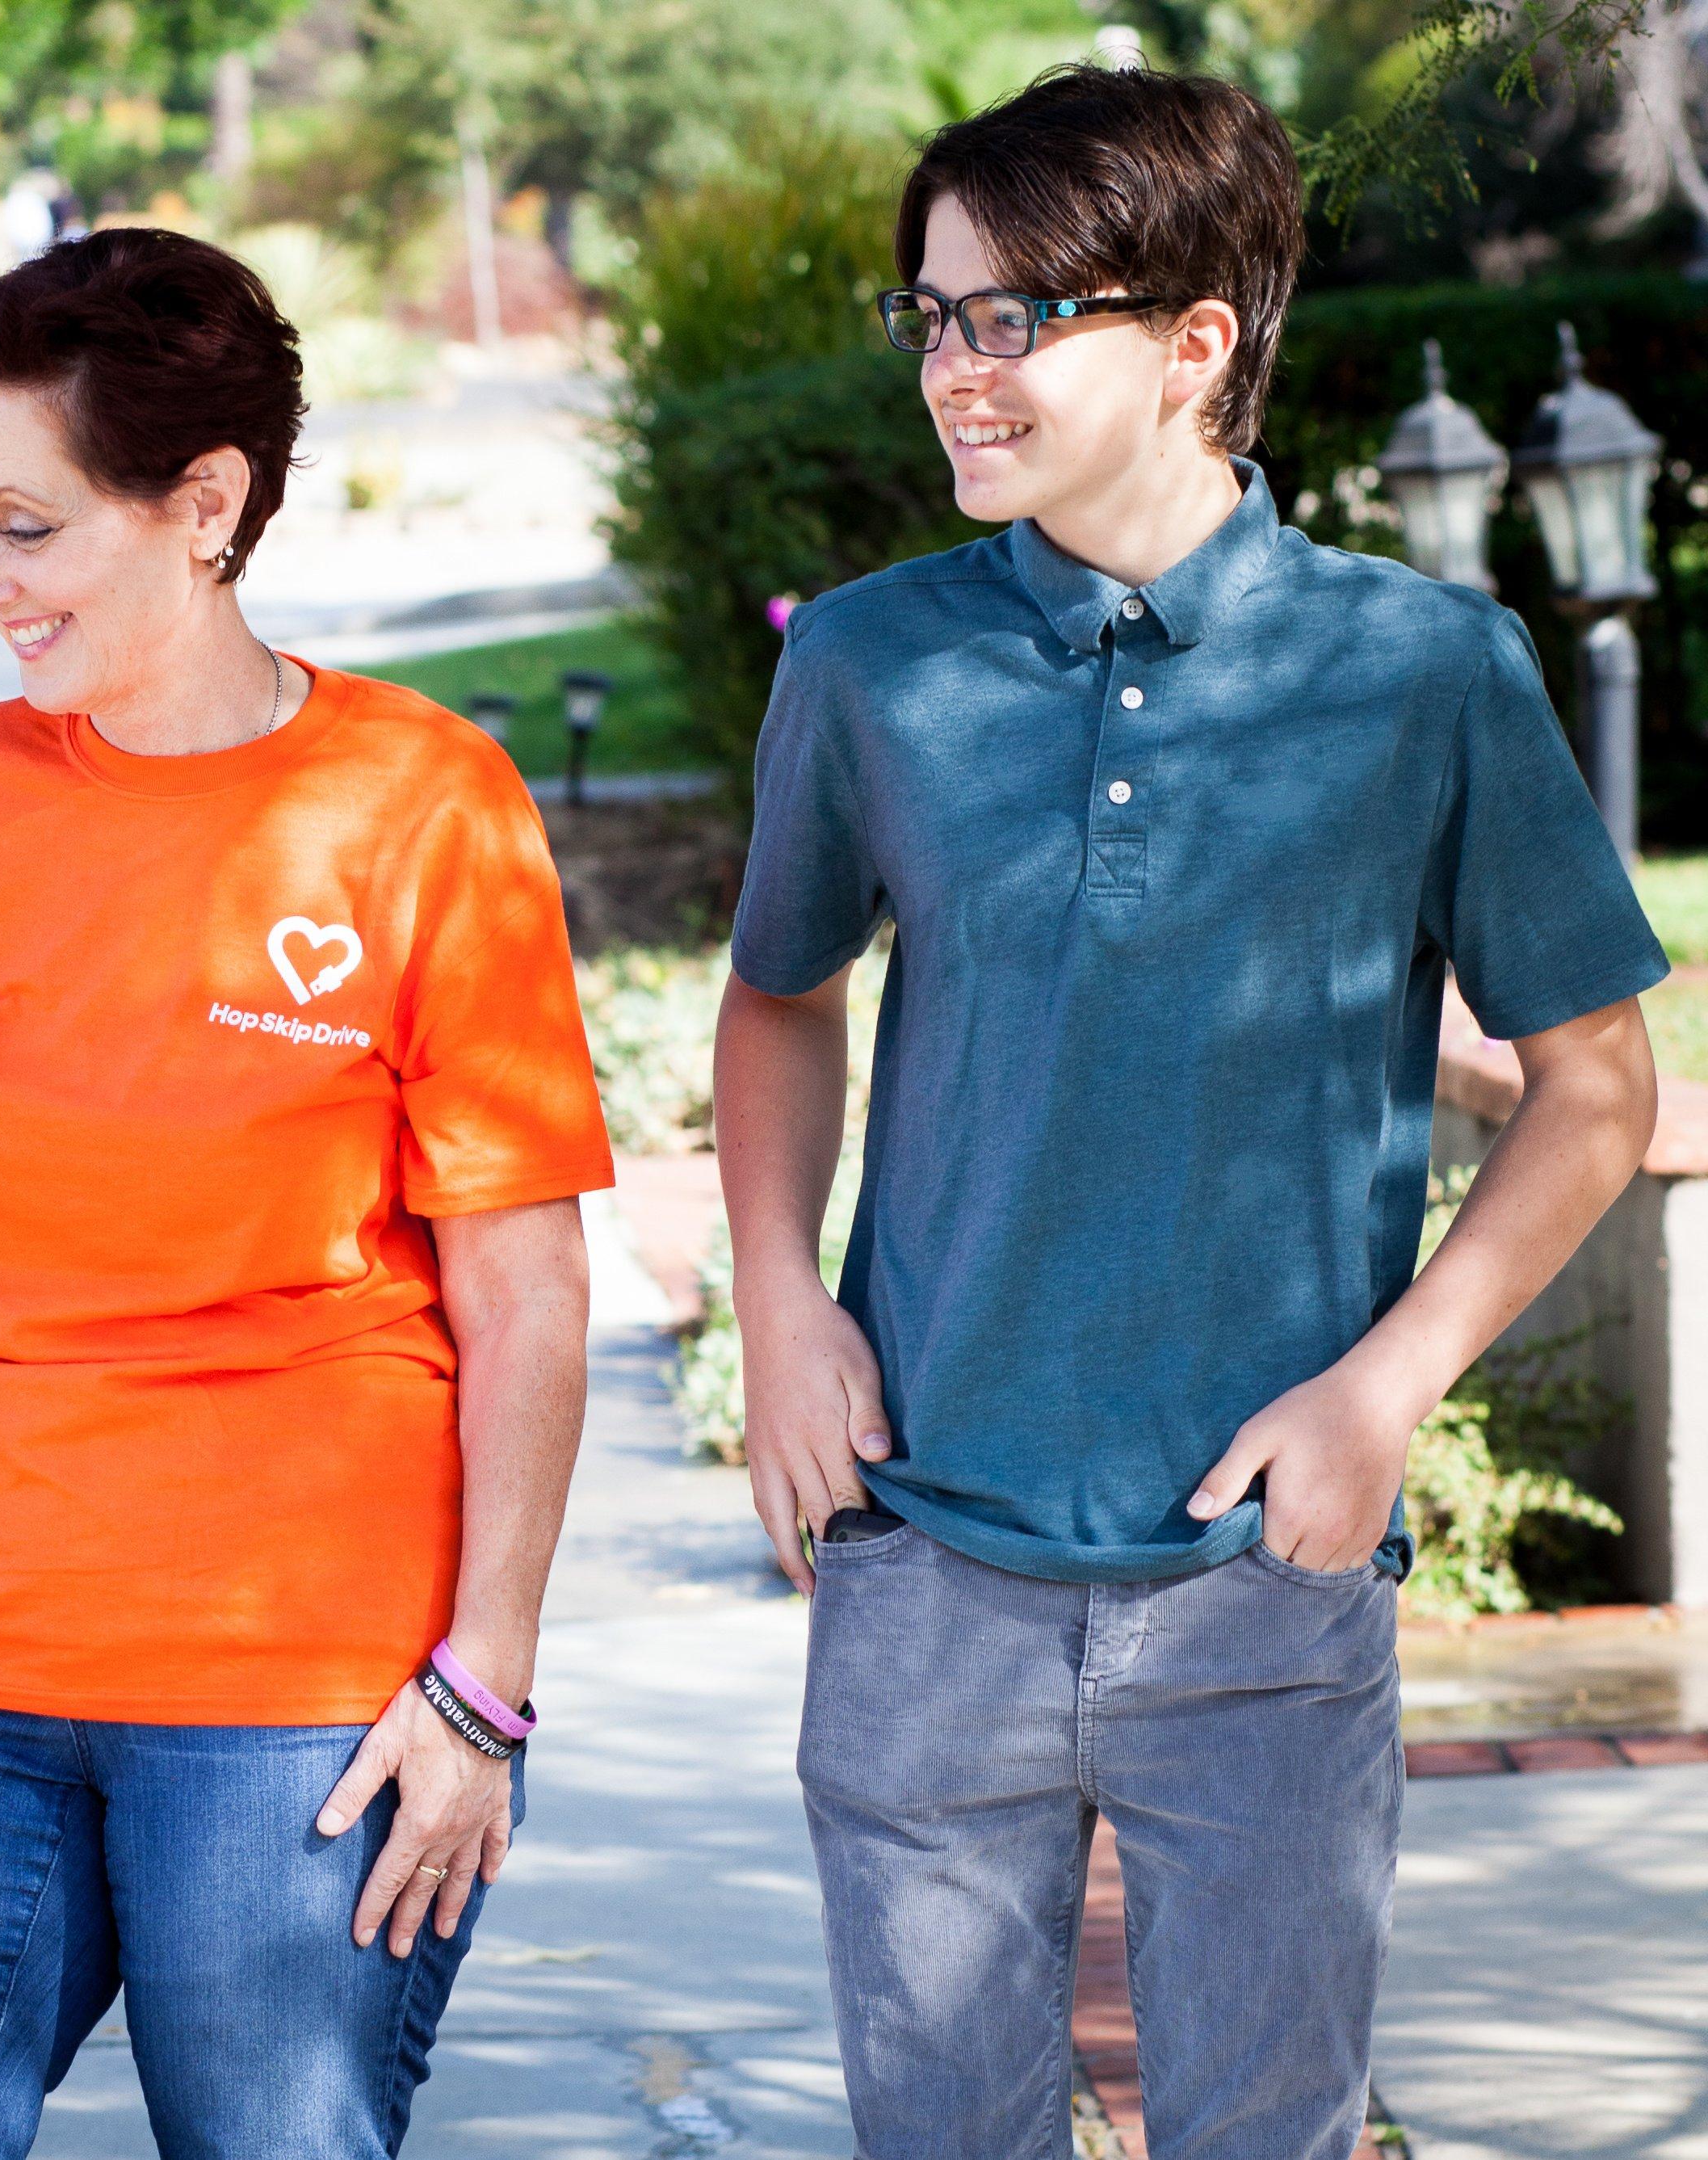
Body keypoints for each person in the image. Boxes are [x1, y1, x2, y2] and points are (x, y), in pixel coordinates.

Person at [716, 64, 1668, 2160]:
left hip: (1261, 1568)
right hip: (929, 1555)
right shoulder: (872, 665)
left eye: (1009, 320)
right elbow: (779, 994)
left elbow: (1599, 1085)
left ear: (1196, 345)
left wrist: (1387, 1391)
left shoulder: (1426, 672)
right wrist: (780, 1302)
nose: (954, 370)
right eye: (934, 317)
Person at [0, 228, 614, 2158]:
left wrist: (486, 1686)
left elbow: (526, 1289)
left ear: (203, 502)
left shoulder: (425, 801)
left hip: (305, 1687)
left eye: (23, 527)